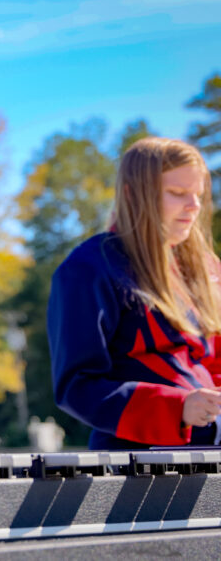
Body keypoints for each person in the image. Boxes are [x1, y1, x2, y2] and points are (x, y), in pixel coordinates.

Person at [48, 137, 221, 449]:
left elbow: (216, 361)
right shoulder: (89, 269)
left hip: (211, 451)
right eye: (177, 193)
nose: (194, 206)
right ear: (133, 195)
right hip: (137, 467)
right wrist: (177, 408)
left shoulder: (206, 268)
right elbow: (77, 387)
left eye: (197, 194)